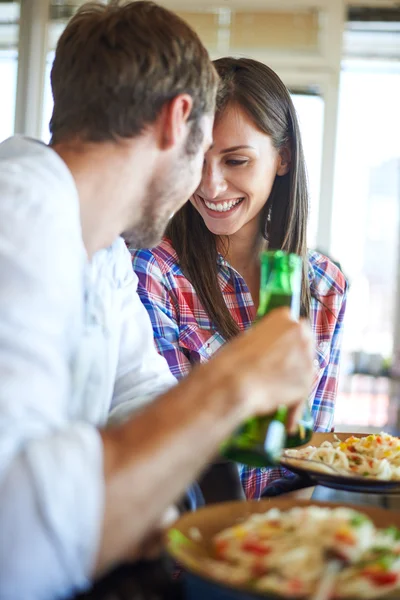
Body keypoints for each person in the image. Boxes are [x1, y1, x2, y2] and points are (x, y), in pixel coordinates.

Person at [0, 5, 314, 600]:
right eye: (205, 152)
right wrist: (233, 380)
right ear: (179, 122)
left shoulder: (104, 254)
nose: (206, 183)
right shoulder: (18, 218)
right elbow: (14, 550)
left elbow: (140, 395)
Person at [131, 57, 347, 501]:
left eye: (236, 160)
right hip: (183, 543)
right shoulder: (155, 270)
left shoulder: (325, 286)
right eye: (197, 159)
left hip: (278, 547)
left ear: (282, 158)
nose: (210, 186)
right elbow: (164, 446)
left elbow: (308, 461)